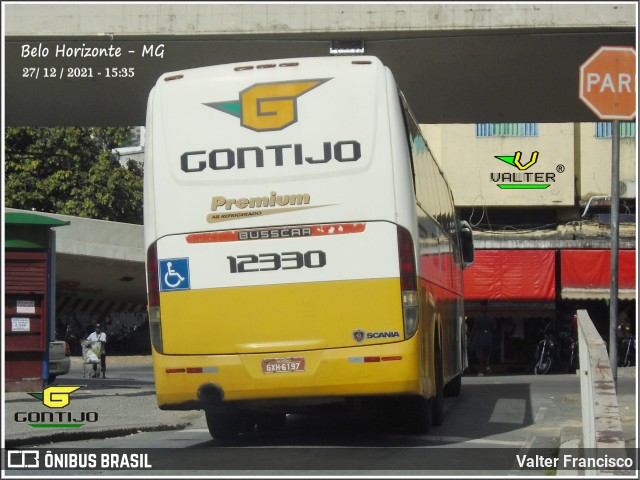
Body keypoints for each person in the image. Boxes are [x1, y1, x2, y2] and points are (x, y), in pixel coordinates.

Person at [469, 300, 496, 376]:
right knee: (487, 355)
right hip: (488, 337)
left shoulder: (478, 317)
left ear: (480, 307)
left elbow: (474, 328)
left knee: (480, 355)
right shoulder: (491, 317)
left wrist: (470, 338)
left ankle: (481, 371)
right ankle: (487, 368)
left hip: (480, 337)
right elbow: (494, 328)